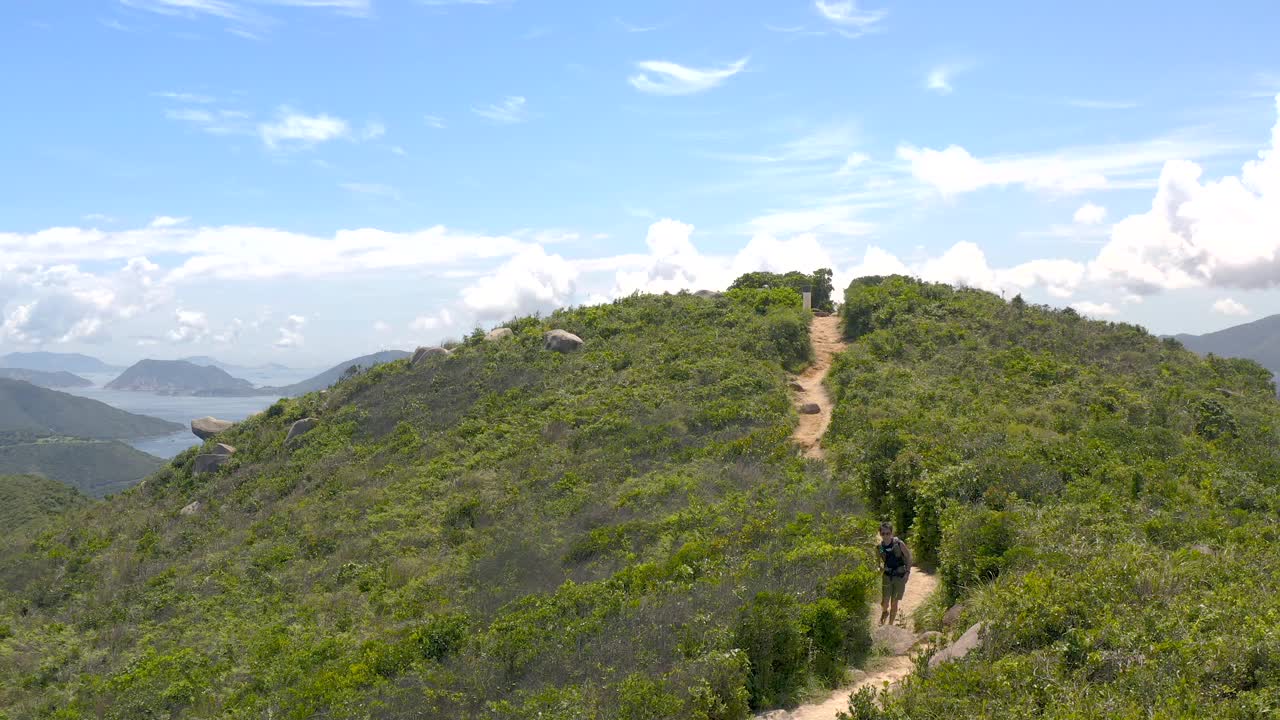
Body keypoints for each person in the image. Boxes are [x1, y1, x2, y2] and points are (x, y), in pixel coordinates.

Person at [877, 521, 912, 626]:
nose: (885, 536)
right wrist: (879, 568)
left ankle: (890, 625)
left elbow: (909, 557)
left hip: (899, 576)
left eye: (887, 533)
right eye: (883, 533)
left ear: (891, 533)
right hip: (887, 576)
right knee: (885, 602)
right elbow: (879, 563)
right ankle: (884, 612)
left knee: (894, 602)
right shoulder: (880, 547)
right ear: (880, 534)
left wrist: (907, 573)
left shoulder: (899, 543)